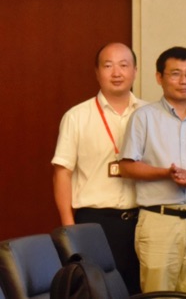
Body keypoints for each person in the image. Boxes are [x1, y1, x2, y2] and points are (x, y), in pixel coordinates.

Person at [119, 46, 186, 295]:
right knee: (158, 294)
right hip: (159, 220)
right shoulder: (143, 117)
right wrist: (165, 174)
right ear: (159, 77)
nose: (184, 80)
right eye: (175, 73)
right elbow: (126, 167)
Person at [51, 42, 144, 294]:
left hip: (143, 221)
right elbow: (62, 172)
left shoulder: (149, 114)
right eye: (108, 65)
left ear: (135, 71)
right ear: (97, 72)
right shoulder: (77, 116)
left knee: (139, 290)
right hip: (94, 222)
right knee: (97, 291)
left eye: (124, 65)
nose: (117, 72)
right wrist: (69, 226)